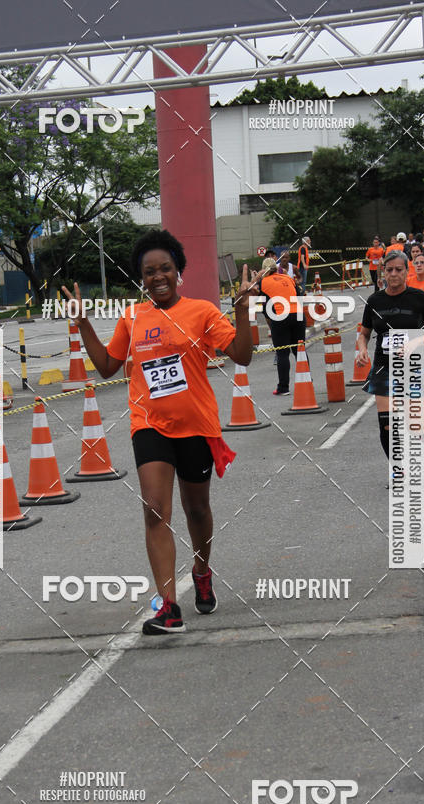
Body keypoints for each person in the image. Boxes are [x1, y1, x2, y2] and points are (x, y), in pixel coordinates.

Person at [63, 229, 255, 635]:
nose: (158, 276)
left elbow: (243, 355)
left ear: (178, 272)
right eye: (149, 272)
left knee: (197, 510)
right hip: (148, 425)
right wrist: (83, 326)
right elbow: (108, 366)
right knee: (154, 508)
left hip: (196, 427)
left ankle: (201, 571)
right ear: (141, 278)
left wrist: (242, 309)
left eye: (165, 268)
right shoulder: (132, 318)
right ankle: (169, 606)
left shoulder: (202, 312)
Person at [355, 250, 424, 472]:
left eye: (398, 270)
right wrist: (362, 349)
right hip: (384, 365)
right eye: (389, 269)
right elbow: (364, 332)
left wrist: (415, 343)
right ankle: (398, 469)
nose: (393, 274)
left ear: (406, 271)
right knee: (387, 423)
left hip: (412, 364)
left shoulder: (418, 297)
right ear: (383, 272)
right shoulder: (375, 300)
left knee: (412, 423)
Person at [259, 256, 305, 395]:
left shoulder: (263, 282)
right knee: (300, 350)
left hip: (280, 316)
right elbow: (298, 293)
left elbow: (264, 306)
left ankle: (283, 388)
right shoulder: (287, 278)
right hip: (298, 314)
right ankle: (307, 380)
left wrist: (270, 322)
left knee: (282, 353)